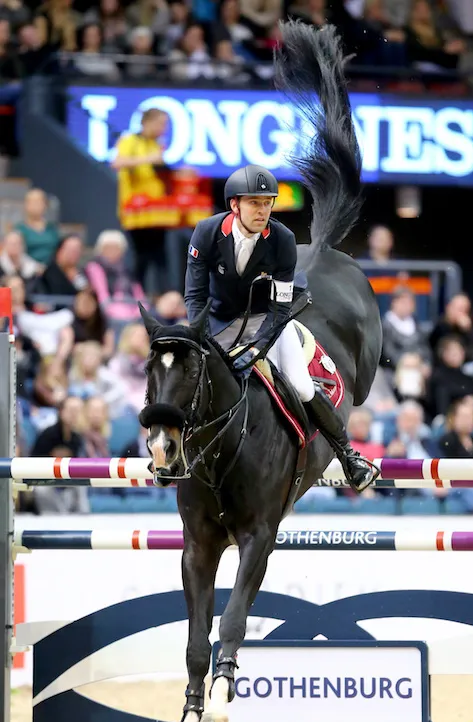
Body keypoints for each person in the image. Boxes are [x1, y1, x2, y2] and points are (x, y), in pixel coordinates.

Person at [184, 164, 376, 492]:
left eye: (267, 203)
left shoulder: (283, 240)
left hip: (268, 322)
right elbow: (195, 294)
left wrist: (258, 346)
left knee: (301, 386)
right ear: (235, 205)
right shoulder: (206, 232)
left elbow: (280, 307)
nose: (263, 210)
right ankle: (169, 454)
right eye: (254, 203)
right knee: (182, 376)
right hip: (217, 323)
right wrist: (201, 336)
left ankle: (348, 455)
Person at [111, 107, 171, 293]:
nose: (164, 129)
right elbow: (117, 162)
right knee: (141, 258)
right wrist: (148, 158)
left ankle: (164, 299)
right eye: (161, 124)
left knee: (161, 259)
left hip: (157, 213)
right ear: (147, 122)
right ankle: (136, 299)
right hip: (136, 212)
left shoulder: (156, 144)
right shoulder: (130, 141)